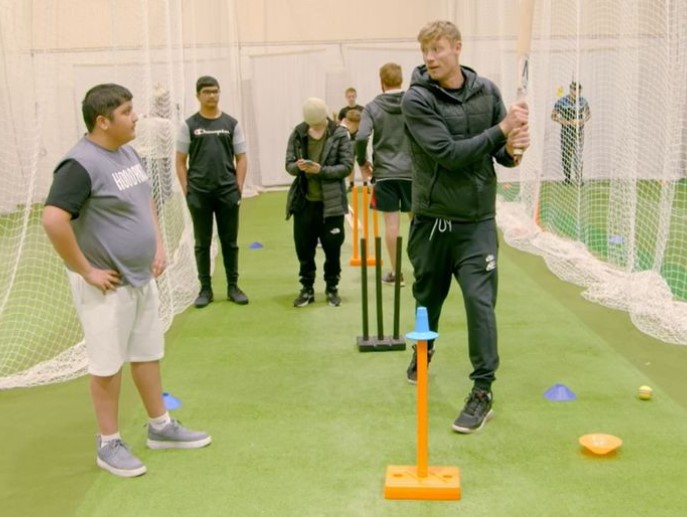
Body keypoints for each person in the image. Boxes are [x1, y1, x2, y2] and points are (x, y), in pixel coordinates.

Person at [41, 83, 211, 478]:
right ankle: (109, 443)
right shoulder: (80, 164)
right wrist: (86, 270)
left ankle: (160, 426)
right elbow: (53, 219)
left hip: (140, 277)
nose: (136, 117)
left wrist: (157, 245)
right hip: (106, 286)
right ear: (103, 121)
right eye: (127, 112)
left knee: (147, 353)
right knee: (107, 365)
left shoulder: (128, 152)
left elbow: (145, 198)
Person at [401, 21, 530, 434]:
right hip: (432, 221)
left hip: (476, 222)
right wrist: (503, 130)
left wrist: (514, 150)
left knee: (479, 303)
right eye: (426, 51)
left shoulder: (487, 92)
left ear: (457, 48)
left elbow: (500, 156)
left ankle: (482, 390)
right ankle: (425, 347)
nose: (431, 58)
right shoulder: (416, 99)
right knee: (428, 297)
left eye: (438, 49)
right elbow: (449, 154)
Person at [176, 76, 249, 308]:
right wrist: (188, 191)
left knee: (230, 241)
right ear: (198, 95)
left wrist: (238, 188)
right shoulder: (189, 125)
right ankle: (205, 289)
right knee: (202, 242)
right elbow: (180, 161)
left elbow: (241, 157)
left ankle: (233, 287)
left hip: (227, 192)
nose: (212, 96)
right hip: (199, 193)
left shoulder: (231, 124)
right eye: (207, 92)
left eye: (215, 91)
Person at [285, 97, 353, 308]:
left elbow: (347, 166)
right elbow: (288, 164)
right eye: (311, 123)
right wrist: (298, 167)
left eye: (317, 123)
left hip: (331, 204)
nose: (314, 127)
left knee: (333, 249)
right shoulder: (298, 133)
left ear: (325, 117)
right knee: (304, 249)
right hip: (304, 202)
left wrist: (321, 171)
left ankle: (332, 288)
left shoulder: (340, 134)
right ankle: (307, 289)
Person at [355, 62, 413, 286]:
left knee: (391, 225)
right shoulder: (413, 103)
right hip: (412, 172)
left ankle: (396, 274)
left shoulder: (372, 107)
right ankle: (425, 269)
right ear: (401, 80)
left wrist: (362, 162)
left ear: (381, 83)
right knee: (418, 223)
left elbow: (361, 137)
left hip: (386, 173)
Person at [131, 84, 177, 206]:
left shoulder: (139, 120)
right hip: (159, 162)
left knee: (146, 199)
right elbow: (171, 146)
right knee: (158, 200)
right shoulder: (166, 124)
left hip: (140, 161)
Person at [551, 81, 591, 185]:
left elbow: (588, 114)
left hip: (579, 131)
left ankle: (579, 179)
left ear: (580, 91)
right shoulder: (562, 101)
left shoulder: (583, 101)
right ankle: (567, 178)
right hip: (566, 131)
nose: (575, 92)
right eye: (573, 90)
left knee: (578, 154)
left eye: (578, 90)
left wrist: (582, 121)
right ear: (570, 90)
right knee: (566, 155)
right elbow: (553, 116)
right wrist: (567, 122)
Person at [337, 87, 365, 191]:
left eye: (353, 96)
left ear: (356, 96)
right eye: (349, 96)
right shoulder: (343, 111)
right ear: (346, 97)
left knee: (363, 162)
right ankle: (351, 184)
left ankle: (366, 184)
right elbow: (339, 124)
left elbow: (366, 123)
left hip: (360, 140)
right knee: (350, 163)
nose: (351, 98)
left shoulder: (362, 109)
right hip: (348, 141)